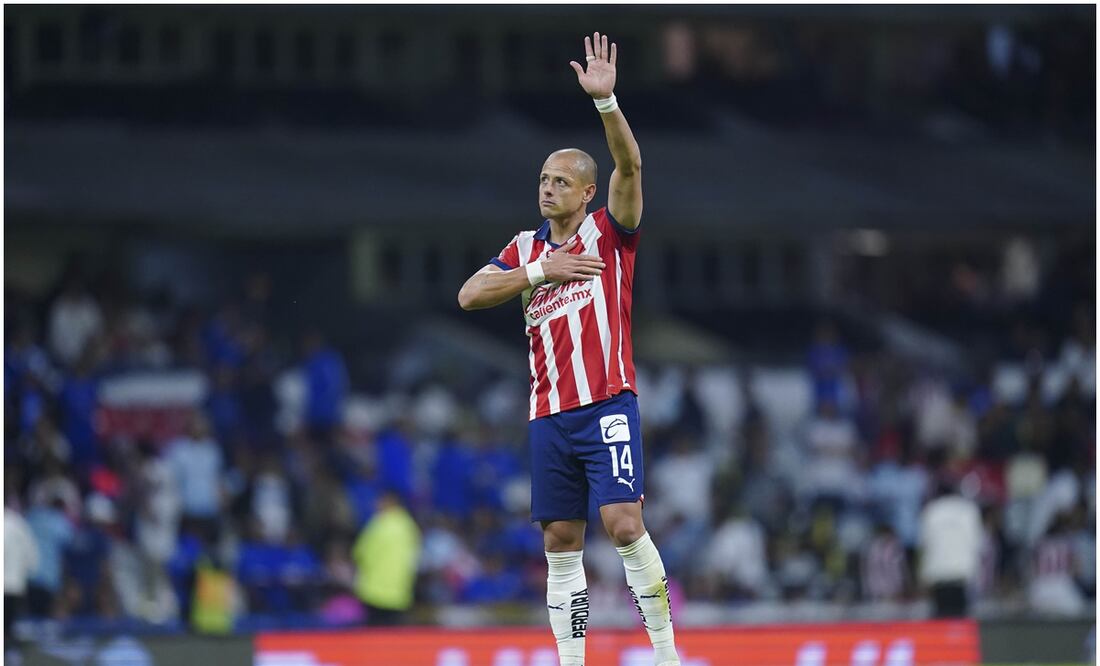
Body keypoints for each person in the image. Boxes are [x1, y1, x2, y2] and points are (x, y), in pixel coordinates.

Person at [458, 33, 680, 666]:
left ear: (587, 192)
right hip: (548, 413)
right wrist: (538, 275)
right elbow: (470, 295)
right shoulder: (526, 249)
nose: (548, 188)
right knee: (560, 539)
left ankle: (665, 653)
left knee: (624, 524)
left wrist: (607, 104)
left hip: (606, 400)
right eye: (543, 178)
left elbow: (630, 168)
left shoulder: (610, 234)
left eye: (561, 181)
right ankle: (572, 661)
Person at [351, 490, 421, 626]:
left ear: (389, 502)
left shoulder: (379, 524)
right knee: (393, 637)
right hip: (400, 591)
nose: (375, 504)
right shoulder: (409, 527)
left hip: (374, 590)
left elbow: (361, 554)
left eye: (379, 501)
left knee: (374, 637)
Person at [918, 480, 982, 617]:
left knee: (941, 619)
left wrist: (923, 575)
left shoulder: (931, 510)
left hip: (938, 573)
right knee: (960, 618)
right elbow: (977, 543)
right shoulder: (969, 510)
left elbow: (925, 544)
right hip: (962, 572)